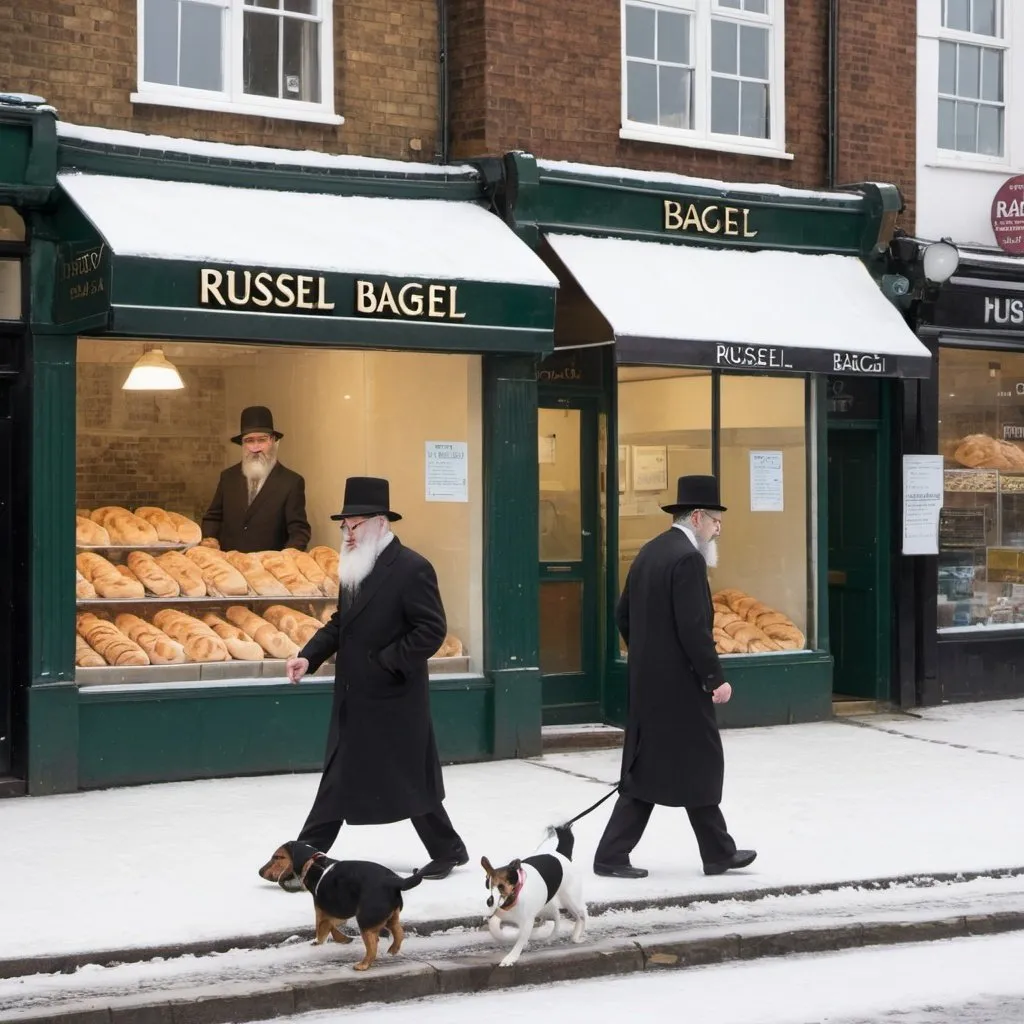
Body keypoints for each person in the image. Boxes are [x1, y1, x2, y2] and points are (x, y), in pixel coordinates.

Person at [278, 476, 469, 881]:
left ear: (380, 522)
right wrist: (309, 657)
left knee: (409, 780)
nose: (347, 533)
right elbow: (341, 623)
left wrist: (384, 661)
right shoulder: (355, 562)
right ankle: (306, 856)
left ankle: (447, 849)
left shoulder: (412, 567)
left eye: (355, 525)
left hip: (394, 697)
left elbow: (431, 630)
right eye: (344, 526)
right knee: (340, 776)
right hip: (354, 696)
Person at [592, 474, 756, 880]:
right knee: (694, 762)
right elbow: (693, 628)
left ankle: (716, 852)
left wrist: (648, 654)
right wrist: (714, 677)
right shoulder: (686, 559)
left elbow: (622, 614)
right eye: (716, 520)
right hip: (681, 686)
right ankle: (614, 855)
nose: (719, 529)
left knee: (657, 766)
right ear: (698, 517)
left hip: (650, 683)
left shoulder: (651, 551)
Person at [201, 406, 310, 553]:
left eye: (262, 440)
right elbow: (213, 518)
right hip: (230, 567)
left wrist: (288, 558)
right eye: (249, 441)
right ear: (243, 445)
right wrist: (210, 540)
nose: (255, 448)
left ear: (273, 441)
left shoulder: (291, 482)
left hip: (270, 569)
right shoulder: (228, 477)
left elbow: (299, 531)